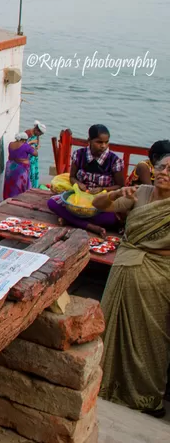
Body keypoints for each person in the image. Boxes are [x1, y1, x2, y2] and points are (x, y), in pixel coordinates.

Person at [95, 147, 170, 417]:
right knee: (110, 327)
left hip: (157, 277)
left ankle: (147, 397)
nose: (164, 173)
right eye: (161, 167)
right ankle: (104, 385)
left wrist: (148, 249)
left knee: (150, 338)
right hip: (124, 268)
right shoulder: (141, 193)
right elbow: (97, 206)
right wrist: (115, 193)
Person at [47, 124, 126, 236]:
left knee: (112, 219)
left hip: (101, 201)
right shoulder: (79, 155)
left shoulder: (114, 160)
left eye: (106, 142)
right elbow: (72, 177)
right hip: (79, 200)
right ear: (89, 140)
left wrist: (102, 189)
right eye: (99, 142)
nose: (103, 146)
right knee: (52, 203)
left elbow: (120, 186)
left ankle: (71, 220)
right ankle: (90, 227)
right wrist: (79, 184)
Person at [3, 132, 37, 200]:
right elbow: (35, 154)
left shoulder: (11, 144)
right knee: (20, 185)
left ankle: (9, 198)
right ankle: (19, 198)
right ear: (23, 139)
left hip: (10, 168)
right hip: (20, 169)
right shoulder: (25, 146)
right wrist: (33, 147)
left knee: (10, 184)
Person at [27, 121, 47, 188]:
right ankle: (28, 187)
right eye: (39, 133)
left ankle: (33, 187)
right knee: (29, 173)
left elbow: (38, 140)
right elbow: (22, 145)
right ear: (36, 129)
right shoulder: (28, 133)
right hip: (28, 157)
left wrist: (38, 145)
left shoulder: (36, 134)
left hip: (33, 158)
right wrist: (31, 142)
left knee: (34, 173)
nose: (39, 136)